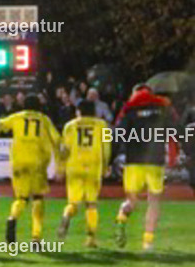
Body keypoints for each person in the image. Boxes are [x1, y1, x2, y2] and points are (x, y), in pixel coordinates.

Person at [0, 94, 61, 246]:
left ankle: (12, 218)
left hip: (19, 162)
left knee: (21, 198)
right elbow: (57, 140)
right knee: (38, 198)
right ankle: (36, 237)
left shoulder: (17, 117)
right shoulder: (44, 119)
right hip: (37, 163)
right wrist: (59, 163)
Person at [113, 84, 176, 251]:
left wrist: (110, 158)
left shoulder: (130, 111)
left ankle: (121, 217)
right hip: (155, 162)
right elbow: (176, 130)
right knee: (154, 201)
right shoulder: (162, 109)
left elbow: (118, 135)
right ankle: (148, 242)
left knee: (132, 200)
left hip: (134, 163)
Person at [56, 100, 111, 247]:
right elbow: (106, 147)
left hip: (74, 166)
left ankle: (67, 215)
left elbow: (64, 150)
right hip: (93, 166)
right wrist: (106, 166)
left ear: (78, 111)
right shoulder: (102, 125)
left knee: (73, 202)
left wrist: (60, 169)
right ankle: (91, 239)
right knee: (91, 204)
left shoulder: (70, 126)